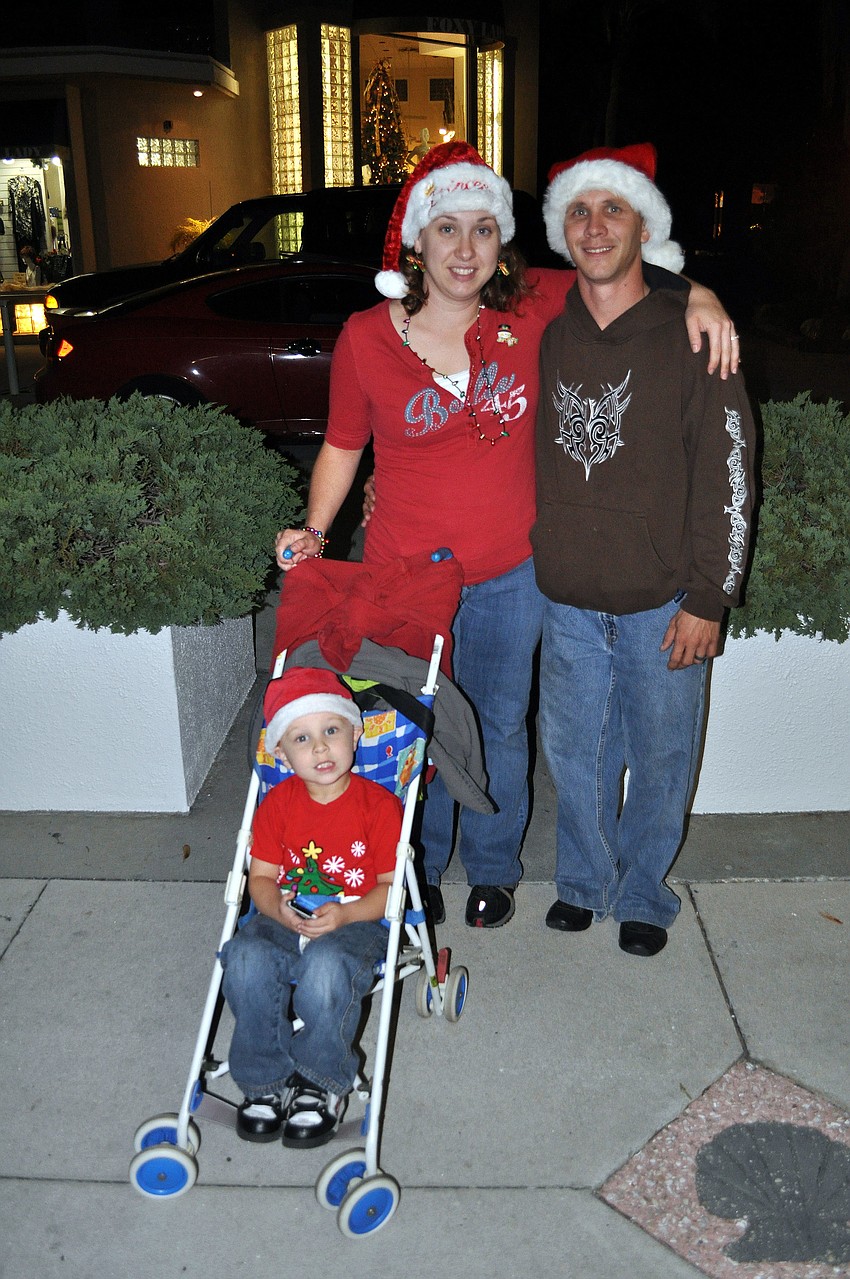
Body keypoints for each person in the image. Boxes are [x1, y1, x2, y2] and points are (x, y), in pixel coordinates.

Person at [274, 141, 737, 932]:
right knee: (407, 721)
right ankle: (415, 864)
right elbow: (344, 447)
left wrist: (702, 294)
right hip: (402, 575)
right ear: (417, 243)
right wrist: (315, 531)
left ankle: (493, 867)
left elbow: (620, 265)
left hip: (510, 574)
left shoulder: (531, 309)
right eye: (447, 229)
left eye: (484, 229)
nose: (465, 249)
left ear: (503, 243)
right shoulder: (366, 337)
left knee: (496, 724)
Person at [532, 143, 756, 957]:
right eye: (579, 210)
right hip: (566, 599)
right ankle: (584, 883)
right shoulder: (545, 328)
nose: (594, 226)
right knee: (575, 753)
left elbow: (729, 472)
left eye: (612, 209)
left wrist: (710, 594)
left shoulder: (695, 337)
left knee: (662, 758)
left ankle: (641, 895)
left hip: (666, 598)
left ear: (644, 225)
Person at [220, 667, 402, 1146]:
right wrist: (275, 907)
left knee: (325, 968)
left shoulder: (380, 808)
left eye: (331, 731)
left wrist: (346, 914)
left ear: (356, 733)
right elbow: (259, 877)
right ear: (280, 752)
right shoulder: (277, 804)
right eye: (302, 738)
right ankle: (263, 1081)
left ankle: (319, 1082)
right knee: (243, 957)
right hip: (284, 914)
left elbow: (388, 888)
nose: (320, 748)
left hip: (357, 920)